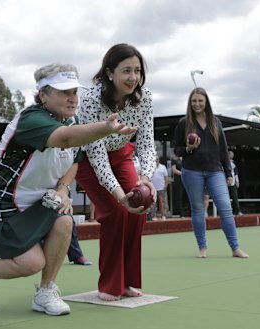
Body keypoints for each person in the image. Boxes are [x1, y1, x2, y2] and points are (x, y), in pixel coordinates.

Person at [0, 62, 137, 315]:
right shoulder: (32, 119)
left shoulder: (73, 121)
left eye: (75, 92)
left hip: (42, 199)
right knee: (31, 262)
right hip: (3, 201)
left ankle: (45, 291)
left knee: (65, 223)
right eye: (64, 92)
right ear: (43, 95)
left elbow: (74, 160)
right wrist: (106, 128)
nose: (72, 98)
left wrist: (64, 189)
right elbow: (66, 139)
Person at [75, 43, 157, 302]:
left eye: (137, 70)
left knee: (137, 213)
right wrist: (120, 196)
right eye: (126, 71)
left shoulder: (144, 99)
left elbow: (145, 142)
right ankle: (110, 284)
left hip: (122, 155)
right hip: (88, 159)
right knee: (115, 212)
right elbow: (97, 154)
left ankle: (129, 281)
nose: (133, 77)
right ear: (109, 73)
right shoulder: (90, 99)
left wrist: (145, 179)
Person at [173, 87, 249, 259]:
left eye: (200, 100)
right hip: (192, 171)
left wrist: (228, 172)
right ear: (190, 103)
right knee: (198, 210)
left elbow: (223, 149)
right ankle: (202, 248)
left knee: (225, 208)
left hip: (215, 171)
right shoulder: (184, 123)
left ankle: (235, 248)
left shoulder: (216, 122)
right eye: (194, 101)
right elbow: (177, 150)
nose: (197, 104)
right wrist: (189, 149)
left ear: (206, 102)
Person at [151, 156, 169, 221]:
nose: (156, 160)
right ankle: (154, 216)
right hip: (153, 189)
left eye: (157, 159)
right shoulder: (151, 167)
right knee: (153, 203)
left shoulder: (163, 167)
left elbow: (166, 177)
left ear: (159, 160)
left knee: (163, 203)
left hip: (161, 188)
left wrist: (166, 185)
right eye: (155, 159)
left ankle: (163, 215)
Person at [227, 150, 244, 216]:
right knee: (226, 198)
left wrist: (237, 181)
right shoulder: (224, 162)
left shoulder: (233, 164)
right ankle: (228, 212)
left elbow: (236, 173)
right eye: (230, 154)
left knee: (235, 198)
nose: (231, 155)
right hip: (226, 183)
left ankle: (237, 211)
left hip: (233, 183)